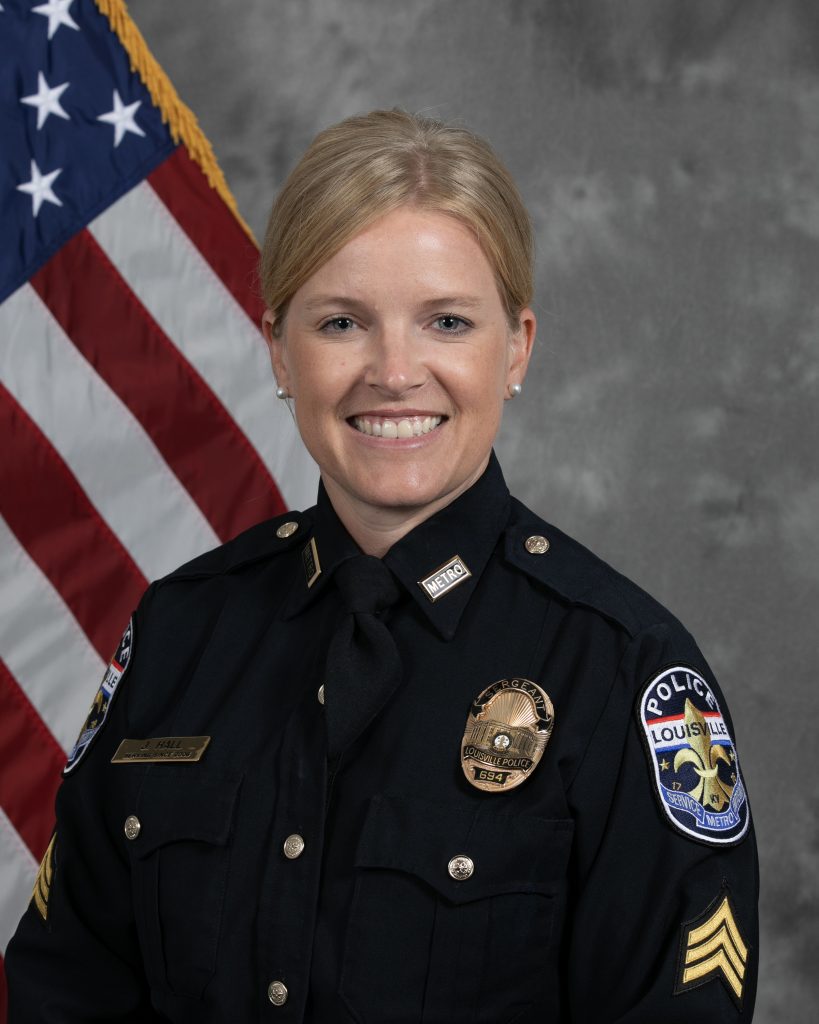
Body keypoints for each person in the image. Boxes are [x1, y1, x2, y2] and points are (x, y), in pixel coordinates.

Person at [6, 109, 758, 1022]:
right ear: (279, 349)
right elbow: (65, 990)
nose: (393, 372)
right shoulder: (181, 631)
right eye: (341, 322)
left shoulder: (622, 670)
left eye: (445, 320)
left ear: (515, 348)